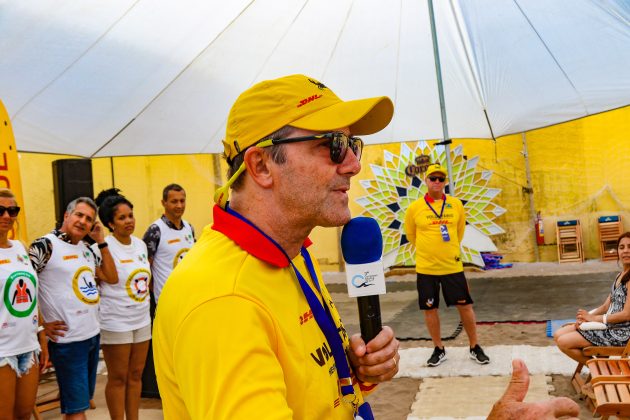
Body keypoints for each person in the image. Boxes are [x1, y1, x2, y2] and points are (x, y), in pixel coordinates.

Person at [152, 74, 578, 420]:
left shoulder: (288, 253)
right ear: (262, 164)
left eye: (352, 145)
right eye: (332, 146)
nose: (354, 164)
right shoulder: (223, 298)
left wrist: (353, 374)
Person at [29, 197, 118, 419]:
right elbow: (23, 287)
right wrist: (41, 325)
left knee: (80, 405)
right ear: (67, 215)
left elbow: (111, 277)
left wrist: (101, 242)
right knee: (77, 411)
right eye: (79, 215)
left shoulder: (87, 248)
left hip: (91, 336)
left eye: (89, 219)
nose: (83, 221)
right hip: (67, 342)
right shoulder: (44, 246)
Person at [404, 163, 490, 367]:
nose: (436, 182)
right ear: (425, 181)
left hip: (452, 266)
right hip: (426, 268)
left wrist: (447, 250)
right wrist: (428, 251)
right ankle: (438, 348)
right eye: (432, 178)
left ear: (445, 182)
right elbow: (411, 234)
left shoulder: (455, 204)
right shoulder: (415, 207)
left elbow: (459, 232)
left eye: (440, 179)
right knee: (430, 309)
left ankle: (474, 346)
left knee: (465, 306)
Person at [94, 189, 151, 420]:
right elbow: (107, 278)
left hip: (142, 319)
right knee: (118, 378)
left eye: (131, 215)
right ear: (110, 223)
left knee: (136, 375)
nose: (129, 221)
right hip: (116, 321)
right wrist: (100, 244)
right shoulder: (102, 247)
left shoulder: (140, 245)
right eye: (122, 218)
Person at [0, 188, 47, 419]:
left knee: (25, 413)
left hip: (28, 345)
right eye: (0, 210)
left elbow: (31, 294)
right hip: (2, 348)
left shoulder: (20, 247)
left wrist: (41, 335)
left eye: (12, 210)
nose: (6, 216)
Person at [554, 232, 630, 364]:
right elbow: (605, 307)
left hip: (621, 332)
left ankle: (599, 369)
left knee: (563, 342)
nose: (626, 251)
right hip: (609, 325)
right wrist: (585, 317)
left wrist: (594, 319)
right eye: (621, 247)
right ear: (617, 251)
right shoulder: (620, 275)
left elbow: (626, 315)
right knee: (558, 334)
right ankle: (601, 367)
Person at [142, 183, 195, 305]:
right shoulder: (155, 230)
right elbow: (145, 268)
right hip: (166, 301)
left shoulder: (189, 228)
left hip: (189, 297)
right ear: (163, 203)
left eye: (182, 201)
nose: (179, 205)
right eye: (174, 201)